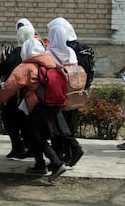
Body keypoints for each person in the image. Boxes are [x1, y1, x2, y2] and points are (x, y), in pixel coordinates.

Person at [0, 38, 67, 182]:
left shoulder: (26, 67)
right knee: (33, 134)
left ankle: (56, 163)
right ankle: (40, 164)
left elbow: (10, 86)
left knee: (34, 136)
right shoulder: (50, 62)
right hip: (51, 104)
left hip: (36, 106)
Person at [46, 20, 86, 167]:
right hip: (72, 94)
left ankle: (59, 157)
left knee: (56, 128)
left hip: (57, 96)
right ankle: (70, 154)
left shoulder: (48, 54)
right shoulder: (71, 53)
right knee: (68, 125)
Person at [0, 25, 36, 159]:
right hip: (34, 96)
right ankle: (30, 149)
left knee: (10, 122)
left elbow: (1, 69)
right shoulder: (39, 52)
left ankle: (18, 147)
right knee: (28, 124)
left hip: (15, 96)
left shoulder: (14, 54)